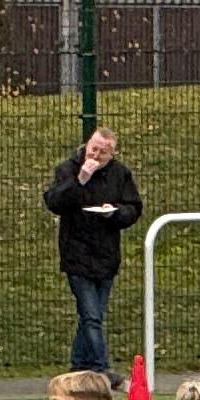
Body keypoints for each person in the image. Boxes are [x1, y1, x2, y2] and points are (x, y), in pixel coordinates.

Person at [42, 126, 146, 377]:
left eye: (103, 151)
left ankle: (78, 365)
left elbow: (133, 208)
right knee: (91, 315)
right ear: (87, 144)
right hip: (76, 253)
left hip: (106, 255)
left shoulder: (120, 174)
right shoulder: (68, 168)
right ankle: (101, 368)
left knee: (93, 314)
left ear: (112, 154)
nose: (96, 155)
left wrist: (116, 213)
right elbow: (54, 201)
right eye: (93, 148)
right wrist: (80, 181)